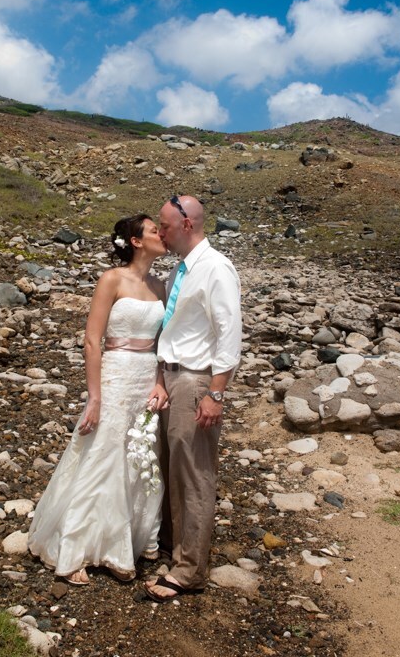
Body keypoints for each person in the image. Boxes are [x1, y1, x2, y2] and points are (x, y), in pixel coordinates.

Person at [28, 214, 169, 585]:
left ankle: (126, 544)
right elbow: (92, 341)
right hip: (116, 374)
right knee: (103, 454)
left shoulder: (160, 285)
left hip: (146, 376)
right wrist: (94, 397)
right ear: (136, 241)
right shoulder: (111, 279)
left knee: (140, 454)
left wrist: (159, 383)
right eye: (154, 230)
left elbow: (163, 343)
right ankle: (76, 548)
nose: (162, 234)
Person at [145, 195, 242, 602]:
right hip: (172, 376)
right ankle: (174, 546)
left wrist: (215, 393)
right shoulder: (180, 269)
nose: (160, 233)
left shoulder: (216, 267)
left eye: (165, 226)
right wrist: (160, 376)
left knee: (194, 473)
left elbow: (229, 332)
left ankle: (190, 570)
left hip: (196, 379)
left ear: (187, 224)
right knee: (171, 466)